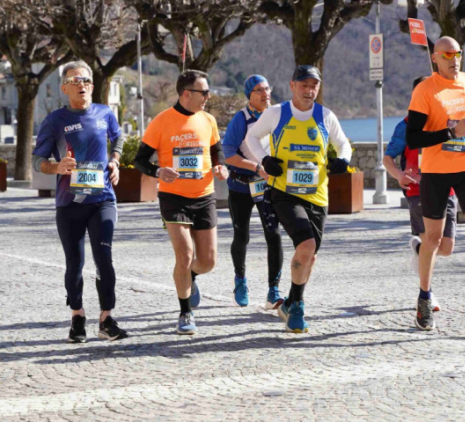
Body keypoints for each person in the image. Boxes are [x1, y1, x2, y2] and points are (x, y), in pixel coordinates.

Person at [405, 36, 465, 333]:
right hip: (435, 171)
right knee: (433, 240)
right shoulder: (425, 90)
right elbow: (414, 138)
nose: (454, 58)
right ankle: (424, 297)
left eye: (458, 53)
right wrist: (451, 132)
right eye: (447, 54)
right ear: (435, 58)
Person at [244, 65, 352, 333]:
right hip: (285, 193)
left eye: (314, 85)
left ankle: (289, 302)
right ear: (292, 86)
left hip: (317, 196)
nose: (309, 90)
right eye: (303, 85)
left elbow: (344, 144)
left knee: (310, 254)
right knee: (306, 244)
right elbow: (251, 138)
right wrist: (265, 160)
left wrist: (343, 160)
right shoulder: (276, 113)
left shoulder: (325, 116)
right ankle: (299, 307)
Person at [32, 61, 128, 343]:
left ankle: (106, 318)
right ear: (64, 88)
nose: (82, 85)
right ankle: (77, 317)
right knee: (75, 263)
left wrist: (115, 161)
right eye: (75, 81)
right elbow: (37, 161)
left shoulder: (105, 113)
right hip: (69, 203)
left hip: (103, 200)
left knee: (105, 260)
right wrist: (57, 167)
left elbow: (119, 138)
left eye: (86, 80)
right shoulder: (55, 121)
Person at [135, 70, 228, 335]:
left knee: (208, 261)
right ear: (186, 93)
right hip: (173, 197)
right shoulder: (162, 121)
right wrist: (157, 171)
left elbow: (216, 150)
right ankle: (185, 312)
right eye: (204, 92)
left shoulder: (208, 120)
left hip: (204, 196)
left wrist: (221, 167)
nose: (208, 97)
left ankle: (190, 277)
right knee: (185, 255)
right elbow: (140, 160)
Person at [383, 76, 457, 312]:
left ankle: (418, 249)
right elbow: (387, 158)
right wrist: (399, 175)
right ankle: (427, 295)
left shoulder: (446, 123)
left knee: (446, 248)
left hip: (448, 188)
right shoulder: (405, 126)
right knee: (431, 242)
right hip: (417, 189)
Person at [222, 75, 284, 309]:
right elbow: (228, 153)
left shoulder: (277, 116)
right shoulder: (242, 119)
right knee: (242, 236)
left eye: (267, 88)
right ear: (249, 95)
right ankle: (240, 280)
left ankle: (273, 290)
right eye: (258, 90)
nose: (265, 93)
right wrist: (257, 166)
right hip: (241, 186)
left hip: (268, 186)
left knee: (274, 234)